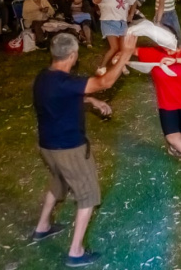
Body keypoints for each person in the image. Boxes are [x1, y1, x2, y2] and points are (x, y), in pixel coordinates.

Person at [31, 33, 137, 268]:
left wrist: (91, 101)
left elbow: (61, 97)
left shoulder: (44, 77)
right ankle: (75, 252)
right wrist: (126, 54)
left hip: (47, 146)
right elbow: (105, 82)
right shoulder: (65, 82)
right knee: (88, 195)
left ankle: (42, 227)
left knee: (57, 183)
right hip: (69, 148)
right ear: (73, 55)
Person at [133, 44, 181, 176]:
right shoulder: (153, 53)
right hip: (167, 104)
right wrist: (120, 57)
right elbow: (131, 50)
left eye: (173, 44)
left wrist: (175, 60)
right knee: (173, 138)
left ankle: (176, 148)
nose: (169, 48)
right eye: (165, 44)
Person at [93, 0, 137, 75]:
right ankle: (102, 67)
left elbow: (134, 1)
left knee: (123, 48)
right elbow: (95, 1)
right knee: (114, 47)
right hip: (109, 21)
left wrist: (130, 15)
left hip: (122, 22)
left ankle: (121, 65)